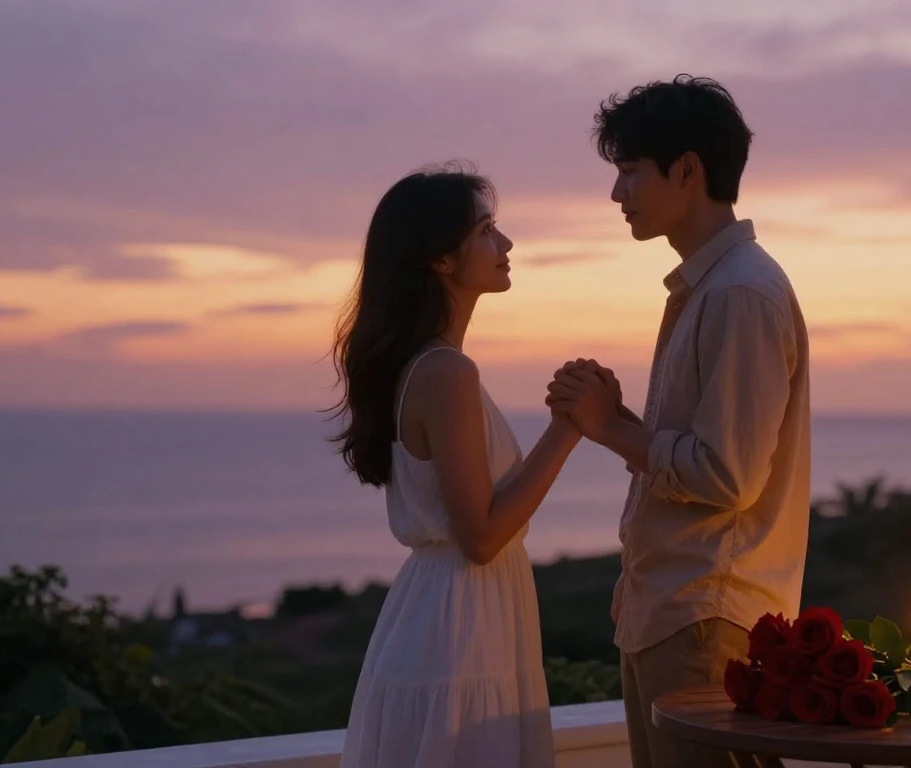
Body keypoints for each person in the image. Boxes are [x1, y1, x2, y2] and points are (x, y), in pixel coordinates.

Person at [547, 75, 812, 768]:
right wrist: (616, 417)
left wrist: (610, 428)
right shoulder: (710, 288)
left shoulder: (739, 292)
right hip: (671, 610)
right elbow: (701, 454)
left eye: (631, 171)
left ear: (688, 170)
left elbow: (728, 476)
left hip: (705, 618)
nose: (617, 193)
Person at [333, 164, 577, 768]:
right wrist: (570, 428)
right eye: (486, 231)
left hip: (447, 614)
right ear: (441, 258)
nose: (506, 243)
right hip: (460, 627)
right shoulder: (445, 372)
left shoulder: (429, 366)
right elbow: (482, 537)